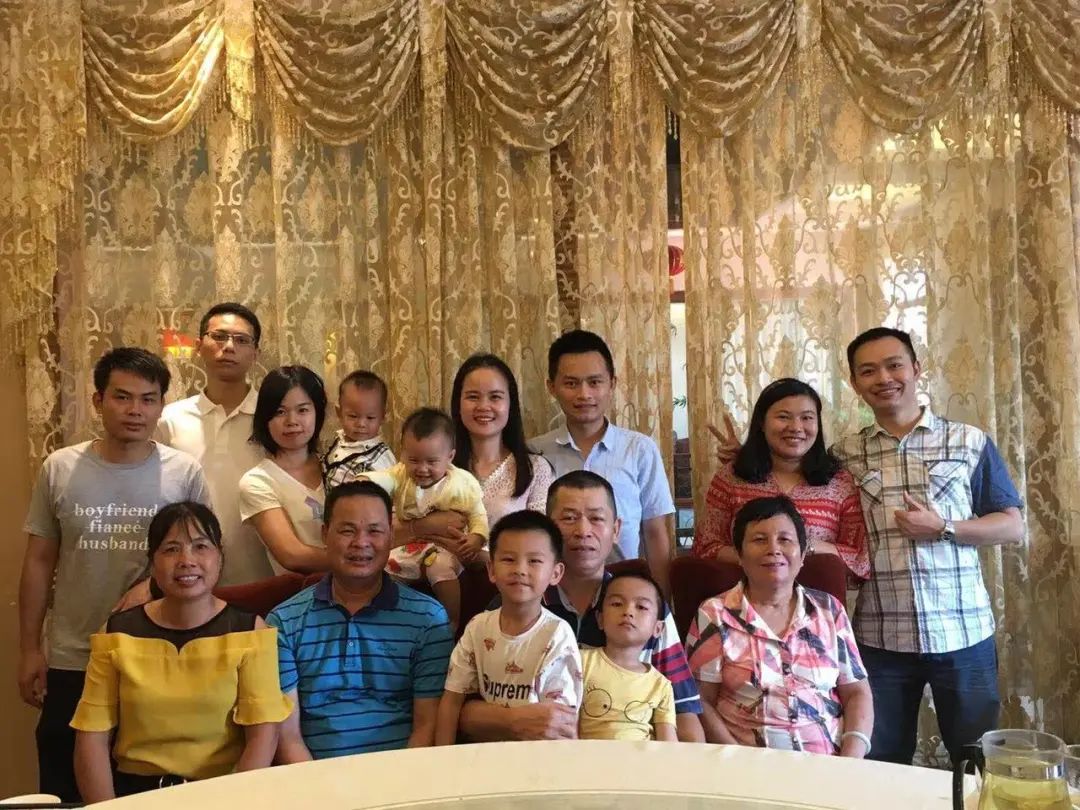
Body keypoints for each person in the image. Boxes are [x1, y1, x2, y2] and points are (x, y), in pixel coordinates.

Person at [18, 347, 211, 802]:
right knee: (66, 785)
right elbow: (39, 562)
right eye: (122, 397)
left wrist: (152, 585)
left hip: (155, 654)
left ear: (161, 405)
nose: (135, 410)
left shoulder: (183, 472)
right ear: (98, 400)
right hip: (74, 655)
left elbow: (204, 560)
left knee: (146, 787)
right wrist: (29, 649)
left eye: (148, 399)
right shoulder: (60, 468)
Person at [835, 327, 1024, 765]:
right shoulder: (844, 455)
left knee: (975, 760)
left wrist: (944, 527)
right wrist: (746, 461)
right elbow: (795, 488)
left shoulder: (968, 441)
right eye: (868, 370)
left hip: (963, 631)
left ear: (916, 369)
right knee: (881, 761)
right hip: (880, 637)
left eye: (894, 365)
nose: (884, 378)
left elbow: (1012, 525)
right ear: (855, 383)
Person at [457, 471, 705, 743]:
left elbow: (684, 712)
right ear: (549, 529)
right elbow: (462, 709)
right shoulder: (514, 602)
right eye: (569, 518)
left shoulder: (643, 606)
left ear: (616, 530)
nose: (583, 531)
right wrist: (512, 720)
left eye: (597, 519)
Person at [71, 502, 291, 803]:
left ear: (219, 557)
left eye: (200, 547)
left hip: (223, 795)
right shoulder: (116, 633)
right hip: (135, 796)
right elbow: (91, 737)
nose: (187, 561)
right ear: (152, 563)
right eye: (171, 549)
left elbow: (264, 736)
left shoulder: (250, 630)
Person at [268, 481, 453, 760]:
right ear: (325, 534)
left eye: (374, 531)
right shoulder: (283, 622)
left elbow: (427, 726)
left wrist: (403, 782)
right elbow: (288, 737)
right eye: (347, 530)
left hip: (404, 773)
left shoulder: (428, 618)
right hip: (314, 776)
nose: (361, 543)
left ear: (391, 537)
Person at [687, 496, 873, 756]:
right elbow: (701, 701)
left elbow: (856, 693)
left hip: (828, 761)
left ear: (802, 554)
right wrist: (736, 758)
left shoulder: (829, 610)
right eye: (759, 540)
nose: (773, 549)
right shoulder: (715, 614)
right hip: (747, 763)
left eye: (785, 539)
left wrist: (851, 760)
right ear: (739, 555)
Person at [532, 330, 675, 590]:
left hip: (624, 591)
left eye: (595, 382)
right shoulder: (534, 452)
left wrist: (662, 601)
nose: (584, 394)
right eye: (571, 383)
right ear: (551, 387)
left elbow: (655, 532)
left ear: (612, 383)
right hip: (553, 590)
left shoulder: (640, 449)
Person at [692, 378, 869, 580]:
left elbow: (859, 558)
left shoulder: (839, 482)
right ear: (762, 423)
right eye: (783, 417)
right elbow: (706, 547)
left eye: (807, 418)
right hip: (745, 595)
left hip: (819, 597)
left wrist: (806, 547)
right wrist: (759, 559)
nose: (796, 427)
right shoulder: (731, 477)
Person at [435, 510, 583, 745]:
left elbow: (558, 723)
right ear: (492, 570)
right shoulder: (477, 627)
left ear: (556, 573)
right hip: (484, 754)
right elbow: (452, 700)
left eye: (534, 561)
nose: (520, 570)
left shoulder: (557, 634)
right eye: (508, 559)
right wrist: (442, 758)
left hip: (539, 757)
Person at [157, 302, 272, 586]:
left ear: (255, 353)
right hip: (188, 578)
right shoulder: (170, 419)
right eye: (219, 337)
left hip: (267, 578)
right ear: (199, 346)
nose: (229, 347)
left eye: (241, 340)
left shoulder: (276, 418)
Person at [362, 407, 488, 632]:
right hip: (409, 545)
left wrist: (477, 538)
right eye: (414, 460)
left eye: (431, 461)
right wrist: (366, 481)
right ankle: (386, 619)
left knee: (439, 568)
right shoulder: (400, 474)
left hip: (444, 547)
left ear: (449, 457)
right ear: (403, 454)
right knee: (385, 568)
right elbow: (385, 479)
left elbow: (477, 513)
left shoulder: (461, 483)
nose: (422, 469)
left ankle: (451, 620)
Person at [239, 365, 328, 575]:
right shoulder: (258, 481)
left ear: (317, 413)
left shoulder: (338, 464)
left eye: (303, 410)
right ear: (265, 419)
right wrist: (364, 560)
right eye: (280, 412)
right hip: (303, 591)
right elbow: (292, 555)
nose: (292, 421)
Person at [451, 353, 554, 525]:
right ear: (458, 403)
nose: (483, 406)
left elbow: (541, 537)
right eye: (473, 397)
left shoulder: (536, 469)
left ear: (510, 404)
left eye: (495, 397)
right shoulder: (435, 464)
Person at [578, 571, 676, 742]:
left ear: (658, 628)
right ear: (600, 619)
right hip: (587, 756)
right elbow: (565, 723)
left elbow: (669, 744)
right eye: (617, 603)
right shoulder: (580, 662)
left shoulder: (661, 685)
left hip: (642, 758)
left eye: (641, 607)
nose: (628, 611)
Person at [323, 370, 396, 489]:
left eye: (370, 417)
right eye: (353, 416)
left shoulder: (381, 458)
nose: (361, 424)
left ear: (382, 417)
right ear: (339, 413)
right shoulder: (337, 440)